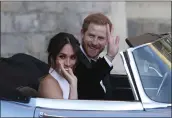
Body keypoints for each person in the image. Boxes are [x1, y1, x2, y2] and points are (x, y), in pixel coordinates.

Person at [75, 13, 120, 100]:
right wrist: (109, 56)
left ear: (107, 41)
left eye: (100, 38)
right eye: (91, 36)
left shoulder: (99, 64)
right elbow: (87, 83)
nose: (95, 42)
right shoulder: (73, 59)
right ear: (82, 34)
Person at [38, 32, 80, 99]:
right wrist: (73, 85)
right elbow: (68, 109)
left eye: (72, 57)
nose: (68, 63)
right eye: (62, 57)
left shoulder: (69, 79)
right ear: (52, 58)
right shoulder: (49, 83)